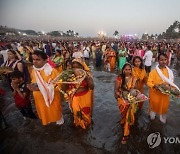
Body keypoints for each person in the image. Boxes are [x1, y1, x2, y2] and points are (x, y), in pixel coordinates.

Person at [27, 50, 64, 125]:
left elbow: (59, 87)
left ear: (45, 60)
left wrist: (40, 88)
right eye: (33, 59)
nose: (35, 62)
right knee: (45, 114)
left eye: (38, 59)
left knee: (55, 114)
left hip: (52, 99)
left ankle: (59, 120)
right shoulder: (34, 71)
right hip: (40, 100)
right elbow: (34, 82)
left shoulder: (52, 71)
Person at [147, 53, 180, 123]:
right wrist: (154, 86)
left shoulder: (170, 72)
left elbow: (171, 83)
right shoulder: (153, 72)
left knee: (163, 109)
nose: (164, 61)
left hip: (165, 95)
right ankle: (152, 121)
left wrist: (175, 92)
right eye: (161, 60)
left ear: (167, 60)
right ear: (158, 60)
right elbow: (149, 82)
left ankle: (162, 121)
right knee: (153, 111)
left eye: (165, 59)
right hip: (155, 94)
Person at [114, 63, 137, 144]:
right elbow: (116, 90)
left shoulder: (134, 78)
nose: (127, 71)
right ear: (123, 70)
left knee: (128, 116)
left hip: (131, 100)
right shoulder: (119, 78)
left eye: (129, 69)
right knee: (123, 115)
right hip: (122, 99)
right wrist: (121, 96)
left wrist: (134, 94)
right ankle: (124, 121)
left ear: (131, 70)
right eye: (126, 69)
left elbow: (135, 90)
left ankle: (125, 134)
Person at [69, 58, 94, 129]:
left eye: (78, 67)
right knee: (76, 112)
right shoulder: (70, 76)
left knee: (85, 113)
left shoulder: (87, 75)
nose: (76, 70)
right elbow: (65, 88)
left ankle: (87, 125)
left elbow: (92, 87)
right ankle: (78, 125)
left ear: (82, 67)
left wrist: (85, 77)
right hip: (74, 97)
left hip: (85, 97)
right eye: (74, 68)